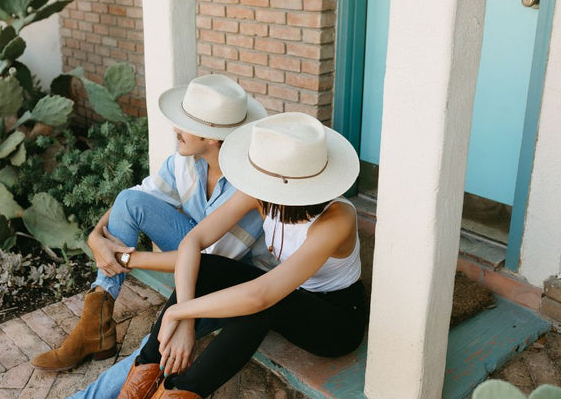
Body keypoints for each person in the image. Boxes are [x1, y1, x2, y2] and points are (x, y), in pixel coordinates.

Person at [116, 112, 368, 399]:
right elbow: (193, 241)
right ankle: (139, 381)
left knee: (260, 307)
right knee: (207, 266)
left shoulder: (337, 218)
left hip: (335, 319)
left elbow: (262, 295)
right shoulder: (262, 194)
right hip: (286, 292)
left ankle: (179, 392)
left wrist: (179, 311)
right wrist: (185, 320)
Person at [31, 74, 269, 374]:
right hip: (197, 253)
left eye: (185, 125)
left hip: (232, 277)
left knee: (159, 339)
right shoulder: (186, 160)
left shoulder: (247, 188)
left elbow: (210, 262)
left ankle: (129, 372)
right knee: (129, 200)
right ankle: (95, 324)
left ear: (210, 137)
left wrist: (124, 258)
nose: (175, 129)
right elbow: (135, 198)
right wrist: (95, 237)